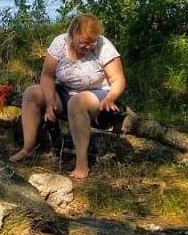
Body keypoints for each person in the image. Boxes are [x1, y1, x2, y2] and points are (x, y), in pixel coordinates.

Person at [10, 13, 125, 181]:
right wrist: (50, 102)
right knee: (32, 93)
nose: (89, 46)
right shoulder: (59, 43)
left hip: (97, 94)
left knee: (77, 102)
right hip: (64, 91)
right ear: (72, 36)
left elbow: (118, 79)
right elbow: (47, 76)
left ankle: (82, 164)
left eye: (92, 42)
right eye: (84, 43)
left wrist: (110, 98)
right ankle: (28, 148)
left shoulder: (104, 46)